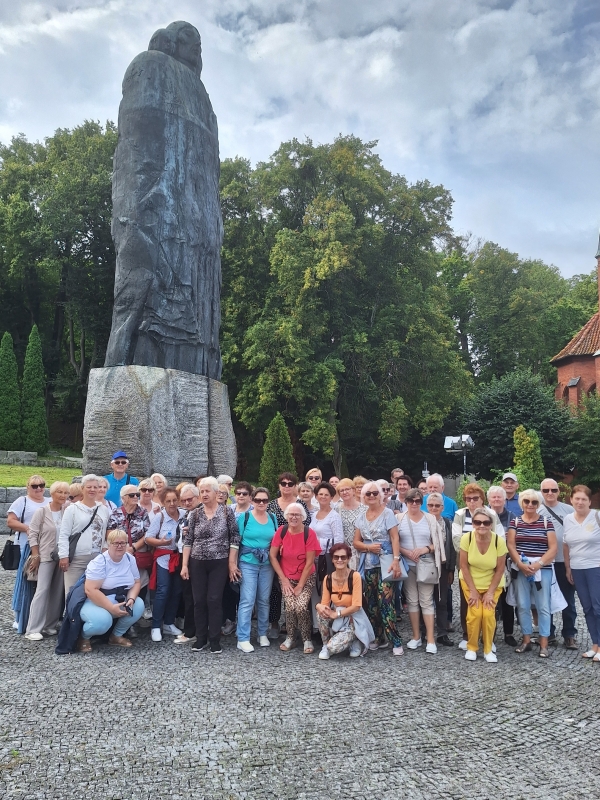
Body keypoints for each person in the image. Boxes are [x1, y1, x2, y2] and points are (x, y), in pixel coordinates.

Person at [180, 477, 240, 654]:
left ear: (216, 493)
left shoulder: (226, 512)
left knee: (214, 600)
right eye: (202, 491)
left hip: (219, 561)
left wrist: (231, 563)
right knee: (199, 601)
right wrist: (184, 565)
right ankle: (201, 638)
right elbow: (188, 540)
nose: (204, 494)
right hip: (197, 562)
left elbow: (235, 537)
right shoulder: (195, 514)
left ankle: (215, 639)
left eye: (207, 491)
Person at [452, 483, 505, 651]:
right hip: (467, 562)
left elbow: (499, 536)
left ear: (482, 499)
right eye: (468, 498)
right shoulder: (460, 514)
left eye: (476, 498)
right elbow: (456, 538)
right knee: (468, 603)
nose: (472, 501)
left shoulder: (491, 515)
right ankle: (468, 637)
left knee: (489, 607)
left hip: (490, 564)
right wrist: (469, 547)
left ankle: (489, 639)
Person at [353, 481, 403, 654]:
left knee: (386, 603)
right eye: (368, 494)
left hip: (386, 563)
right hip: (368, 564)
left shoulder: (388, 513)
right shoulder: (361, 516)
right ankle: (378, 637)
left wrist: (396, 560)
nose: (372, 496)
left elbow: (395, 538)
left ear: (381, 495)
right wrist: (368, 547)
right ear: (364, 497)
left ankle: (396, 641)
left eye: (375, 493)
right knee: (372, 603)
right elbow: (356, 542)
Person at [507, 489, 557, 657]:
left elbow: (553, 548)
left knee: (543, 606)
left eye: (534, 502)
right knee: (522, 605)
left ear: (538, 504)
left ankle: (544, 643)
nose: (530, 505)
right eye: (527, 501)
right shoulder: (515, 522)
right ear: (522, 503)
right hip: (521, 568)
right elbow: (511, 545)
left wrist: (538, 564)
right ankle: (526, 640)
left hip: (542, 569)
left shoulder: (546, 522)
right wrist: (520, 564)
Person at [77, 529, 145, 652]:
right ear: (109, 544)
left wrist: (131, 599)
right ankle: (83, 637)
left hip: (120, 599)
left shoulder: (130, 559)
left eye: (123, 543)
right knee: (103, 621)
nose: (120, 546)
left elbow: (136, 582)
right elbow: (90, 590)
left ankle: (116, 636)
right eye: (116, 543)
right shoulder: (99, 561)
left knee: (138, 604)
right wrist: (110, 607)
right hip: (96, 602)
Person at [396, 487, 446, 654]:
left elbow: (439, 542)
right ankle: (416, 636)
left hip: (426, 564)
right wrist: (406, 552)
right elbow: (394, 541)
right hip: (407, 564)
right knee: (412, 600)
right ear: (406, 502)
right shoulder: (399, 518)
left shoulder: (430, 519)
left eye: (418, 501)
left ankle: (430, 638)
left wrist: (425, 549)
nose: (414, 504)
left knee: (426, 600)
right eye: (411, 501)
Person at [269, 503, 321, 654]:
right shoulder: (282, 531)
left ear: (303, 517)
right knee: (290, 607)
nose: (294, 517)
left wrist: (300, 585)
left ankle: (306, 638)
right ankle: (291, 637)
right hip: (286, 577)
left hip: (306, 576)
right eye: (291, 514)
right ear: (286, 516)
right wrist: (283, 579)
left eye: (297, 515)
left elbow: (310, 562)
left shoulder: (308, 533)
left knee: (301, 606)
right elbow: (272, 556)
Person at [459, 507, 508, 662]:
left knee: (487, 614)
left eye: (486, 522)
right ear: (473, 523)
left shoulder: (498, 540)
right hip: (470, 581)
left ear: (491, 524)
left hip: (492, 582)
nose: (481, 525)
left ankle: (488, 649)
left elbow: (500, 569)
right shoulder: (466, 539)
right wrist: (473, 591)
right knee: (475, 614)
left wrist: (490, 592)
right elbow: (463, 566)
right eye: (477, 522)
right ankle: (472, 647)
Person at [23, 481, 70, 641]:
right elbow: (33, 534)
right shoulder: (42, 511)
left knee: (57, 590)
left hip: (62, 555)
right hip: (45, 556)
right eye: (60, 492)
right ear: (53, 493)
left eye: (65, 492)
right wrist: (36, 555)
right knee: (42, 590)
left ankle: (50, 624)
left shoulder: (67, 510)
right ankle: (33, 628)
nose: (63, 495)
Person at [266, 473, 311, 639]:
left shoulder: (301, 505)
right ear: (279, 486)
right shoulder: (271, 505)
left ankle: (292, 624)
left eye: (290, 483)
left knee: (295, 588)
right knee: (275, 589)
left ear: (295, 486)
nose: (286, 486)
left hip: (296, 553)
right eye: (283, 483)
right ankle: (275, 622)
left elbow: (306, 526)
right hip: (275, 551)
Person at [234, 487, 278, 653]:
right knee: (247, 600)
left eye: (264, 500)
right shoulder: (245, 518)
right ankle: (243, 637)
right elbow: (235, 542)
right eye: (258, 500)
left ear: (268, 502)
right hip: (247, 562)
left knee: (264, 599)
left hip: (267, 564)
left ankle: (262, 633)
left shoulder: (272, 518)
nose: (261, 503)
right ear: (252, 501)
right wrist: (233, 564)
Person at [316, 543, 374, 659]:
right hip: (337, 615)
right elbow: (325, 604)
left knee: (333, 648)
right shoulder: (328, 579)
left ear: (348, 559)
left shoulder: (355, 576)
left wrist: (336, 614)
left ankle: (355, 639)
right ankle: (325, 644)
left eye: (343, 557)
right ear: (332, 559)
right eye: (336, 557)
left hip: (353, 618)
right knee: (320, 614)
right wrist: (319, 606)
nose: (340, 560)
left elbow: (357, 606)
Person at [539, 478, 578, 649]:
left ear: (558, 492)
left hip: (564, 562)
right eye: (546, 490)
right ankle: (549, 633)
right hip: (545, 563)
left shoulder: (569, 511)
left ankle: (569, 634)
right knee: (545, 600)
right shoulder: (537, 510)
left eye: (553, 490)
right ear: (541, 492)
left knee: (568, 600)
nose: (550, 493)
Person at [562, 485, 600, 659]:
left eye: (584, 499)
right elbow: (565, 545)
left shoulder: (597, 516)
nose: (580, 502)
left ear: (590, 501)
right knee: (587, 608)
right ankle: (595, 644)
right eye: (577, 498)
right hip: (577, 568)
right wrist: (568, 568)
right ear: (571, 500)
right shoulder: (568, 519)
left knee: (598, 606)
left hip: (596, 567)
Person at [58, 475, 110, 594]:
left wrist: (105, 547)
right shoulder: (72, 509)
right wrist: (63, 555)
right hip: (77, 557)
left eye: (95, 487)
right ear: (82, 488)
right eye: (89, 487)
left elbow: (106, 531)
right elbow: (64, 534)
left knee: (94, 593)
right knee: (72, 593)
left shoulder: (103, 509)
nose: (92, 490)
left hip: (97, 557)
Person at [145, 487, 184, 641]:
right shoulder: (159, 517)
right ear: (163, 502)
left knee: (177, 591)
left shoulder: (184, 514)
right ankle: (156, 625)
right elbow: (148, 538)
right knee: (163, 590)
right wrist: (161, 542)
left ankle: (169, 622)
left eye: (174, 500)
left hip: (179, 558)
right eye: (168, 501)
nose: (172, 503)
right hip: (163, 557)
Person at [486, 485, 517, 647]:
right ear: (488, 500)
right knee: (490, 599)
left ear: (505, 499)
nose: (496, 500)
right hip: (487, 563)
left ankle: (508, 633)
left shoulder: (512, 517)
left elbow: (516, 539)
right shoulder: (484, 515)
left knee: (507, 600)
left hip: (506, 562)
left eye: (499, 497)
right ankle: (489, 633)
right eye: (494, 497)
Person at [426, 492, 455, 646]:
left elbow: (451, 547)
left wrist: (451, 570)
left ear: (442, 507)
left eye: (437, 505)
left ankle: (442, 633)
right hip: (425, 565)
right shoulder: (423, 521)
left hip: (442, 567)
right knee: (424, 600)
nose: (434, 508)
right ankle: (425, 632)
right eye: (431, 505)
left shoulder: (447, 523)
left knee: (442, 600)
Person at [174, 484, 201, 645]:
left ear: (197, 498)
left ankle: (192, 631)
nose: (186, 502)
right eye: (183, 500)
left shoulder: (200, 513)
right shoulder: (186, 513)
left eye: (190, 499)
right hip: (182, 555)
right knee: (187, 595)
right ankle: (192, 629)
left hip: (194, 557)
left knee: (192, 596)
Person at [7, 475, 51, 554]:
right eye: (34, 486)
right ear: (28, 487)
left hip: (47, 545)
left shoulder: (50, 501)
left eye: (41, 485)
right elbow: (10, 521)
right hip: (25, 545)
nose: (38, 488)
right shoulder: (22, 501)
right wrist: (27, 529)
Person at [337, 478, 365, 569]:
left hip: (362, 551)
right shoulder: (336, 509)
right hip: (344, 552)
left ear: (353, 490)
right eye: (342, 490)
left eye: (347, 489)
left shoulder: (365, 509)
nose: (345, 492)